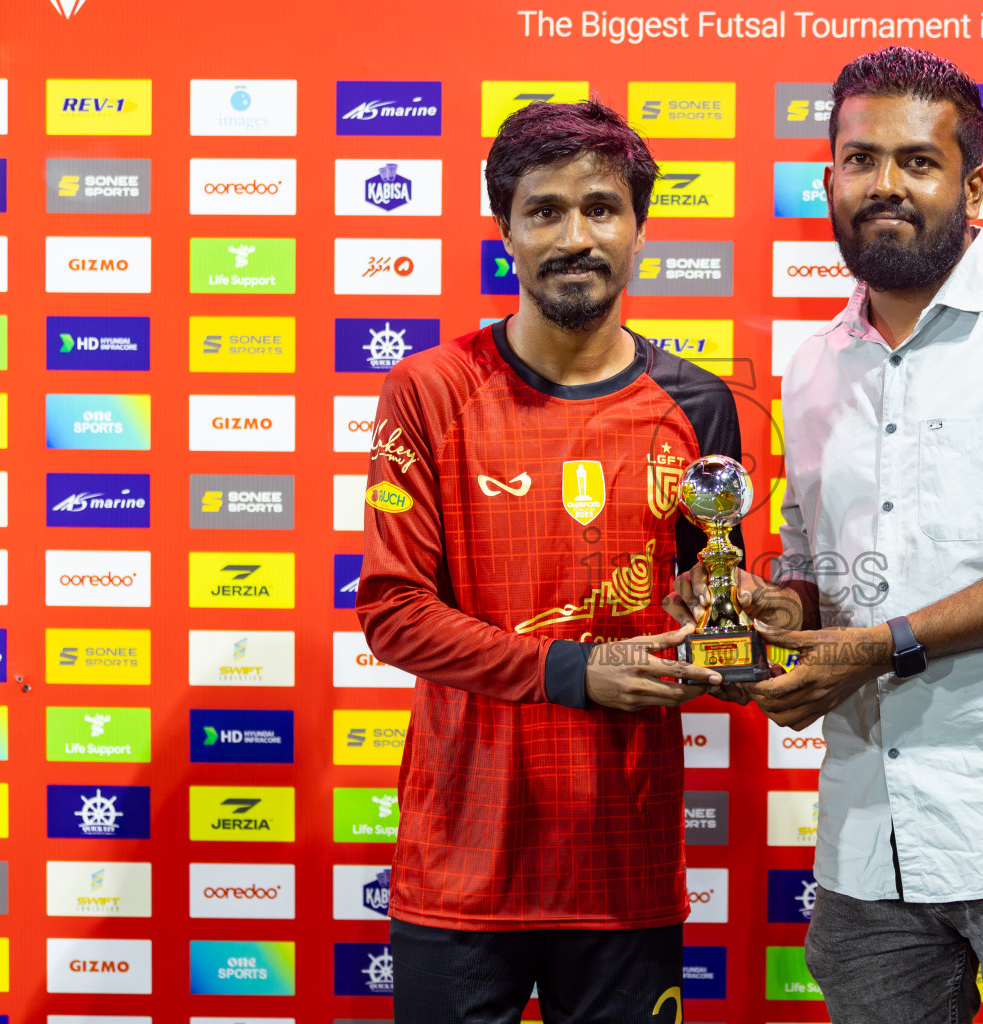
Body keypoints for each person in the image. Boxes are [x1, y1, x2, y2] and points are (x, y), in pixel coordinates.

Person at [672, 47, 983, 1023]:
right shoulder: (814, 364)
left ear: (974, 183)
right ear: (828, 179)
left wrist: (876, 646)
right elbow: (821, 566)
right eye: (860, 159)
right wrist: (777, 606)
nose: (885, 184)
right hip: (869, 828)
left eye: (917, 160)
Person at [358, 98, 742, 1024]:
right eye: (545, 211)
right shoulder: (431, 389)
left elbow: (713, 603)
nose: (577, 236)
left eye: (602, 208)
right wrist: (573, 670)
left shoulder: (698, 404)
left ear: (639, 227)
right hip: (462, 864)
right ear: (505, 231)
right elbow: (393, 611)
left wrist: (741, 635)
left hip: (623, 865)